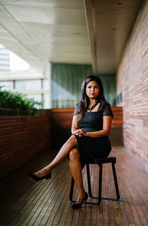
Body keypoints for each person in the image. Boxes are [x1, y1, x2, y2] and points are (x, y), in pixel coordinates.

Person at [29, 75, 113, 209]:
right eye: (89, 87)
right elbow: (73, 128)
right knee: (73, 153)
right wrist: (78, 133)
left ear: (100, 89)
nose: (92, 90)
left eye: (95, 87)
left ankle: (48, 169)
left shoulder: (105, 107)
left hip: (99, 145)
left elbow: (106, 131)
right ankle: (81, 193)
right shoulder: (79, 106)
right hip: (81, 141)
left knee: (74, 138)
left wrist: (86, 134)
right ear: (84, 89)